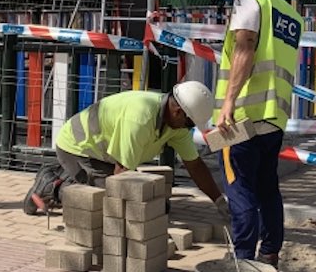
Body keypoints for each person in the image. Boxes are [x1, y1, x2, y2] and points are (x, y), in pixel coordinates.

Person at [23, 81, 230, 223]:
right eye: (189, 123)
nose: (188, 129)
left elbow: (195, 165)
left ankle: (67, 174)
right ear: (178, 111)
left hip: (101, 154)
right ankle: (51, 185)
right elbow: (123, 176)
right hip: (76, 149)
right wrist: (146, 227)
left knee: (157, 206)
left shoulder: (175, 125)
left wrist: (219, 201)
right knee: (103, 200)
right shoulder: (139, 118)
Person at [214, 0, 303, 270]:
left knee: (240, 188)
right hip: (274, 118)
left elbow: (245, 46)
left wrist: (227, 103)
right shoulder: (290, 14)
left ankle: (243, 261)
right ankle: (269, 255)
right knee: (267, 187)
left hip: (242, 118)